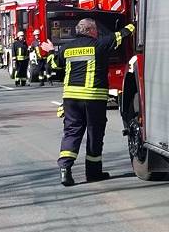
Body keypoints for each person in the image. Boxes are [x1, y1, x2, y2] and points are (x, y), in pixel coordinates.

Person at [42, 17, 135, 187]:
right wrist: (134, 22)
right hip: (93, 98)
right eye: (96, 29)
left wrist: (50, 51)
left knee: (72, 132)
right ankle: (93, 173)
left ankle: (65, 169)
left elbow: (53, 64)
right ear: (91, 30)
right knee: (94, 134)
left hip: (71, 98)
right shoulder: (99, 44)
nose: (97, 32)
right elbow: (123, 34)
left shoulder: (66, 48)